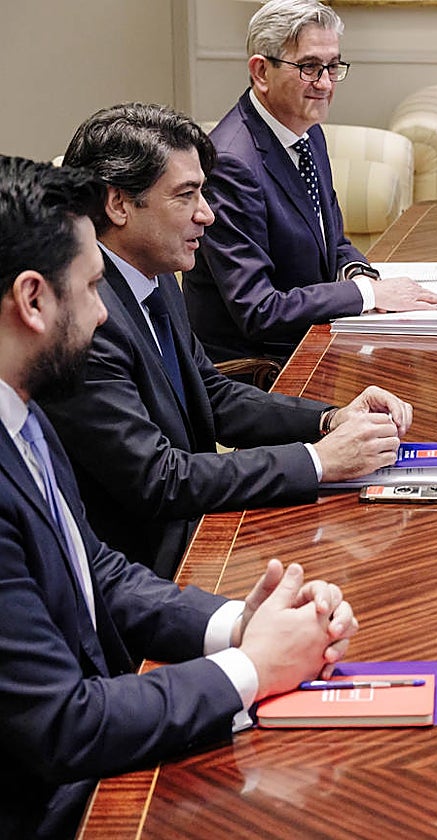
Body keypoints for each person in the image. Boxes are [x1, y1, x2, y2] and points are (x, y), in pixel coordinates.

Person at [0, 155, 358, 838]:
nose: (105, 316)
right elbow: (63, 724)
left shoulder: (22, 410)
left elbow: (95, 572)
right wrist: (250, 670)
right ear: (33, 299)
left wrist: (236, 625)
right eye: (92, 287)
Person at [46, 102, 413, 580]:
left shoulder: (150, 275)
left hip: (202, 525)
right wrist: (319, 461)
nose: (208, 214)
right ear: (118, 204)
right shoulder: (83, 319)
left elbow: (211, 395)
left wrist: (329, 418)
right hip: (149, 571)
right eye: (187, 195)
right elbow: (159, 480)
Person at [183, 0, 437, 366]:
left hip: (316, 340)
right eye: (309, 67)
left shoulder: (307, 133)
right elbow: (258, 310)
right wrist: (366, 294)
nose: (324, 83)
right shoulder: (230, 164)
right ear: (261, 72)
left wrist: (362, 275)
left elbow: (333, 241)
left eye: (333, 66)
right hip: (260, 371)